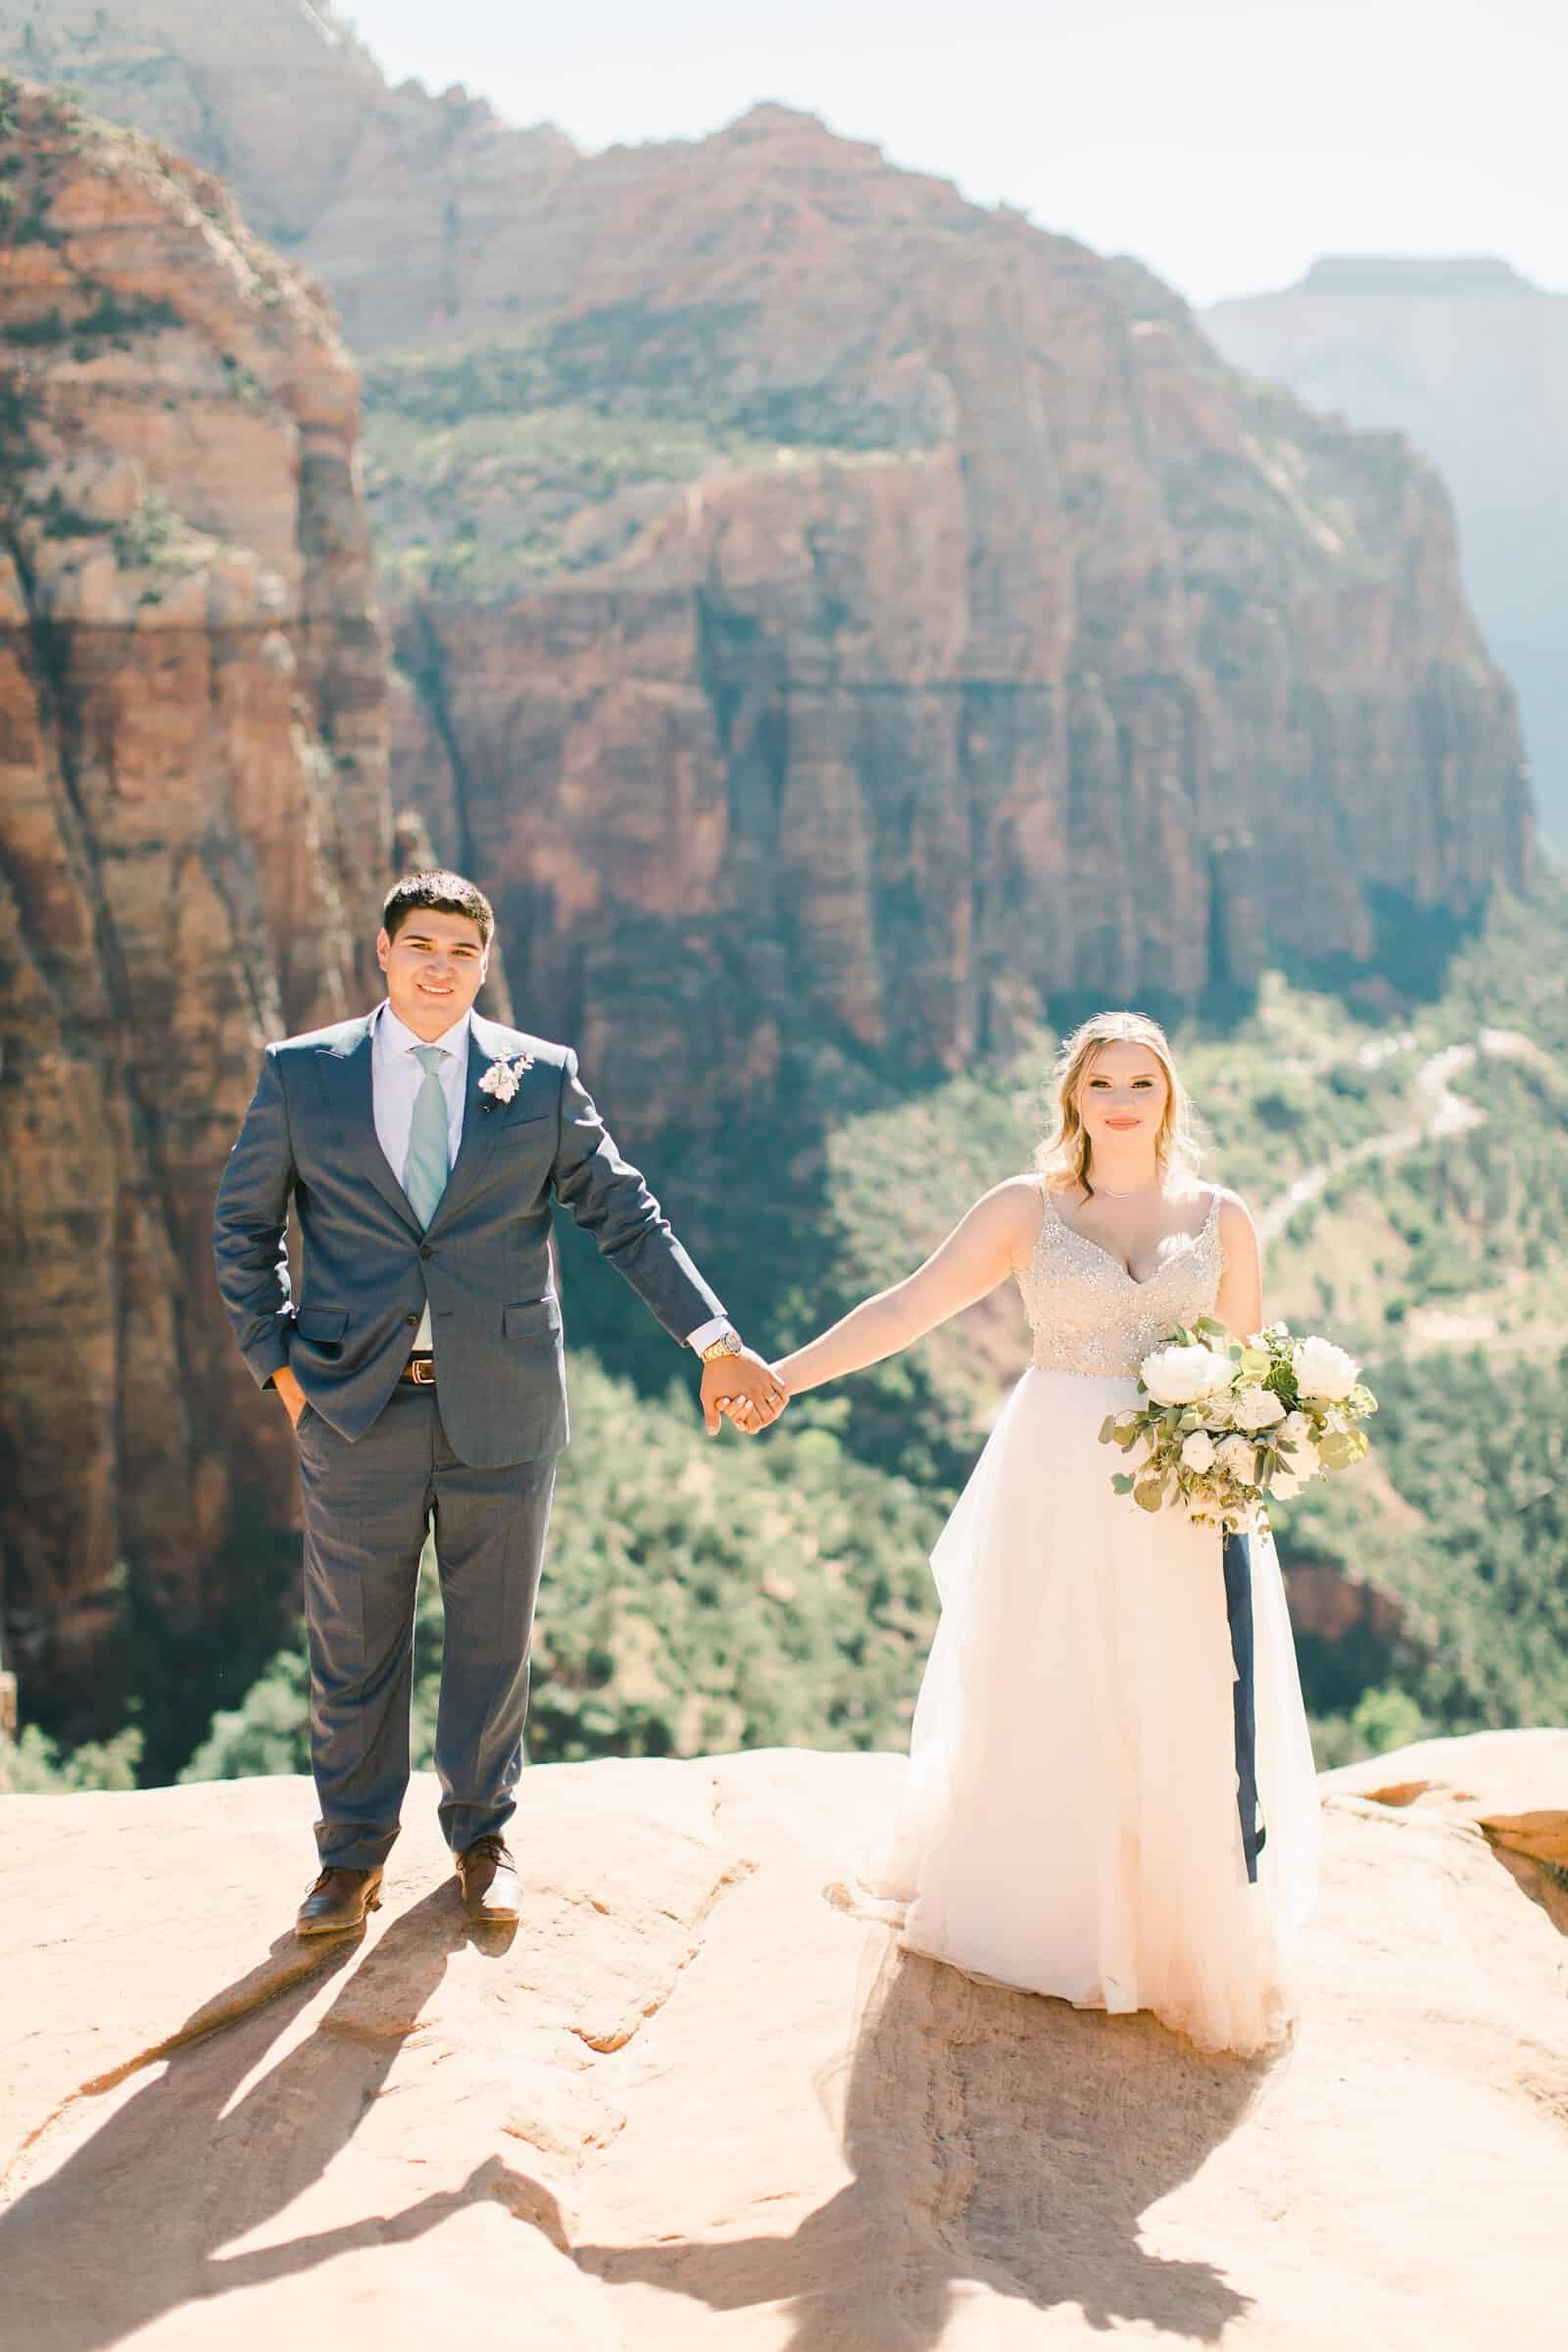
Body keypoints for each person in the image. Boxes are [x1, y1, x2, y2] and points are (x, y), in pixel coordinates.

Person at [213, 869, 788, 1936]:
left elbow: (626, 1216)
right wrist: (283, 1374)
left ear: (486, 964)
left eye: (462, 953)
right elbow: (242, 1234)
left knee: (493, 1639)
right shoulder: (303, 1076)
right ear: (381, 953)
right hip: (352, 1409)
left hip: (505, 1407)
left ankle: (482, 1838)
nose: (441, 969)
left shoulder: (539, 1077)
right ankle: (350, 1861)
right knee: (354, 1648)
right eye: (421, 947)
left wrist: (715, 1341)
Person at [770, 1010, 1319, 2055]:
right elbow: (906, 1309)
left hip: (1177, 1486)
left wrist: (1248, 1446)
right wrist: (785, 1378)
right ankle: (1052, 1920)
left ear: (1169, 1099)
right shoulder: (1026, 1210)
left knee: (1173, 1686)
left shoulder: (1223, 1216)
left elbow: (1251, 1366)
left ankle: (1166, 1936)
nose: (1119, 1103)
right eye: (1101, 1084)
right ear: (1072, 1097)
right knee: (1053, 1674)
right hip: (1055, 1470)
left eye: (1140, 1086)